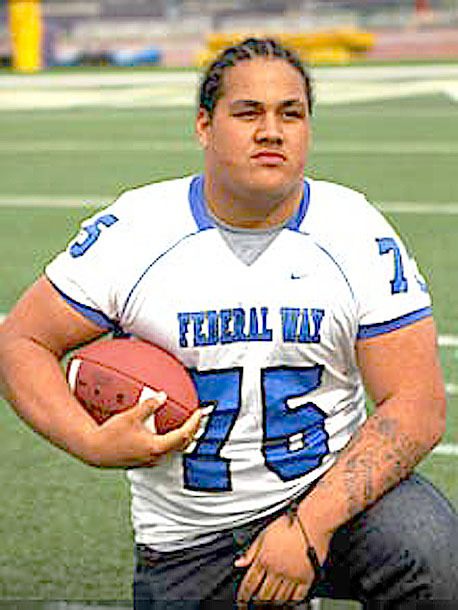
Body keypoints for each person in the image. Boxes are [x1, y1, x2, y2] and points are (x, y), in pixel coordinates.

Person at [0, 37, 457, 609]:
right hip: (194, 539)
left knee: (431, 554)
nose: (272, 130)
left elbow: (416, 403)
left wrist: (308, 526)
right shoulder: (137, 230)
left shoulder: (354, 229)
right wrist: (90, 440)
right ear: (204, 127)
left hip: (331, 501)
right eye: (248, 113)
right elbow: (21, 340)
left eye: (290, 113)